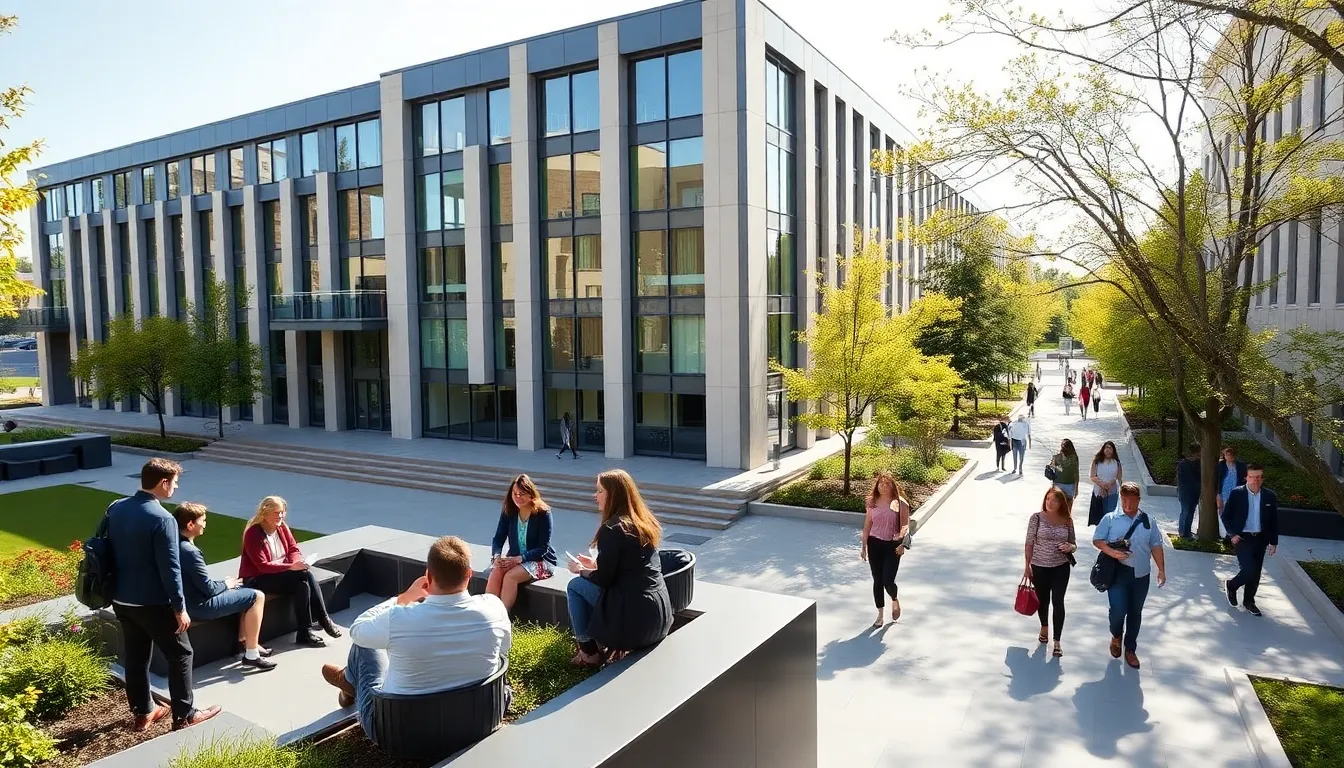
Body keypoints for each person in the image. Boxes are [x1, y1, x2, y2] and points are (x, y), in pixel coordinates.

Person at [320, 536, 512, 739]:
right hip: (480, 720)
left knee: (364, 646)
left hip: (401, 736)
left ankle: (349, 682)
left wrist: (404, 598)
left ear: (428, 576)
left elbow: (357, 631)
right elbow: (503, 650)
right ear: (469, 574)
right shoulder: (494, 607)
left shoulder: (399, 618)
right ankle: (349, 681)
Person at [107, 458, 222, 732]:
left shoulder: (116, 507)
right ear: (163, 482)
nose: (176, 487)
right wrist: (180, 608)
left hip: (121, 600)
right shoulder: (163, 519)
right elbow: (170, 568)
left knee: (136, 656)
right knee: (181, 653)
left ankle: (143, 712)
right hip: (154, 604)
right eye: (175, 482)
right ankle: (185, 715)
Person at [566, 470, 674, 666]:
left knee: (575, 585)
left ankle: (588, 651)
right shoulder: (643, 522)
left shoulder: (613, 529)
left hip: (635, 623)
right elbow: (629, 567)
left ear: (613, 495)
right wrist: (595, 565)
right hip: (660, 618)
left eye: (600, 491)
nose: (595, 496)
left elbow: (603, 580)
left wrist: (581, 570)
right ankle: (600, 643)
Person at [174, 503, 275, 671]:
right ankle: (252, 654)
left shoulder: (171, 546)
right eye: (203, 521)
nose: (205, 524)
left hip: (182, 603)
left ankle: (244, 641)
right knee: (257, 596)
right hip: (199, 606)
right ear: (190, 525)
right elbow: (209, 589)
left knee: (241, 592)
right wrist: (226, 584)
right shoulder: (191, 552)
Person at [240, 496, 342, 647]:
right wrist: (290, 567)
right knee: (305, 575)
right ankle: (323, 618)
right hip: (259, 578)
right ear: (265, 513)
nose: (280, 516)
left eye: (282, 512)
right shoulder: (253, 533)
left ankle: (304, 632)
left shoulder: (282, 527)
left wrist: (297, 562)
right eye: (276, 513)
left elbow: (293, 549)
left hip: (281, 575)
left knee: (303, 585)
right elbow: (263, 566)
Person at [1092, 482, 1167, 669]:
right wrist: (1113, 553)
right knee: (1118, 610)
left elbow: (1156, 545)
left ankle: (1130, 649)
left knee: (1135, 612)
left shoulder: (1149, 521)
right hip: (1118, 573)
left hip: (1141, 574)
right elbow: (1097, 540)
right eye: (1124, 500)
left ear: (1139, 500)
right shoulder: (1110, 519)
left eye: (1131, 501)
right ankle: (1116, 634)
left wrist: (1161, 570)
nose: (1127, 505)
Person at [487, 474, 557, 611]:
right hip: (515, 557)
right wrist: (496, 557)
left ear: (531, 494)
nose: (517, 497)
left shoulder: (543, 513)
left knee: (510, 577)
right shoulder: (509, 510)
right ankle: (488, 614)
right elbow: (498, 538)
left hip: (540, 560)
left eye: (522, 494)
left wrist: (519, 559)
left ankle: (503, 617)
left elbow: (543, 548)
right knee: (496, 571)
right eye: (514, 493)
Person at [1025, 487, 1077, 657]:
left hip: (1061, 566)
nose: (1050, 502)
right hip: (1039, 566)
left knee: (1058, 601)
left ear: (1061, 503)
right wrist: (1027, 566)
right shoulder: (1036, 518)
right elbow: (1029, 543)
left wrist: (1070, 547)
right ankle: (1044, 627)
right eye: (1048, 499)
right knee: (1043, 600)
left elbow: (1073, 543)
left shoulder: (1067, 520)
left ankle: (1057, 641)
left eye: (1054, 500)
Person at [1221, 464, 1279, 617]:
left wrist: (1273, 542)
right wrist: (1232, 534)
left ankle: (1249, 602)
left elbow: (1274, 521)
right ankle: (1232, 585)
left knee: (1256, 572)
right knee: (1249, 569)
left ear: (1262, 479)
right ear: (1246, 478)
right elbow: (1225, 516)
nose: (1255, 480)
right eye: (1252, 477)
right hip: (1242, 538)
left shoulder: (1269, 496)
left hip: (1261, 538)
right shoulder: (1237, 494)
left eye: (1258, 477)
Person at [861, 472, 911, 627]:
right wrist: (863, 545)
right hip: (874, 544)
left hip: (892, 546)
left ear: (892, 486)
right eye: (880, 483)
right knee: (877, 580)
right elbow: (868, 523)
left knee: (888, 581)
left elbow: (905, 526)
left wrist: (902, 544)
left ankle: (894, 599)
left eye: (887, 484)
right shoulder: (871, 501)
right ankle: (880, 613)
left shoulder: (900, 503)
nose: (883, 486)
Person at [1088, 441, 1124, 525]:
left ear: (1113, 450)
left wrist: (1111, 483)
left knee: (1110, 515)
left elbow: (1119, 477)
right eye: (1106, 448)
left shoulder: (1117, 463)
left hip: (1112, 492)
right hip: (1099, 491)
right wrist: (1102, 485)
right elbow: (1092, 476)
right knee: (1099, 518)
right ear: (1103, 449)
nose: (1108, 450)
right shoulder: (1097, 462)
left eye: (1110, 448)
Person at [1216, 446, 1248, 540]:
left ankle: (1230, 534)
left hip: (1236, 492)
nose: (1229, 457)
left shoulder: (1241, 465)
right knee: (1223, 513)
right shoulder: (1221, 465)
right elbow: (1217, 479)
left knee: (1234, 513)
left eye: (1231, 455)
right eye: (1227, 455)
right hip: (1224, 492)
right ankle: (1228, 532)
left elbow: (1245, 478)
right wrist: (1218, 493)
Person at [1175, 443, 1202, 539]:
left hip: (1183, 491)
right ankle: (1186, 533)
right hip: (1190, 491)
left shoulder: (1182, 463)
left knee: (1185, 511)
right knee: (1188, 511)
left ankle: (1182, 531)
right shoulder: (1196, 464)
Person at [1049, 439, 1080, 513]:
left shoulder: (1058, 457)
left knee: (1058, 510)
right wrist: (1076, 488)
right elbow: (1076, 473)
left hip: (1060, 485)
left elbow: (1051, 468)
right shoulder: (1073, 458)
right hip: (1067, 485)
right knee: (1067, 510)